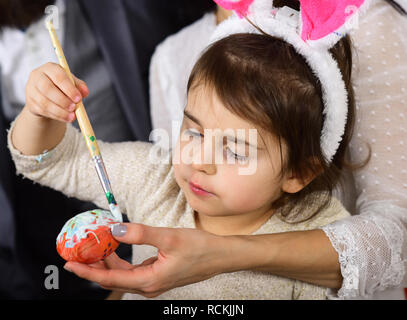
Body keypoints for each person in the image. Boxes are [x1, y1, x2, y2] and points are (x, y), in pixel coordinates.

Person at [8, 1, 361, 299]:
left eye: (236, 151)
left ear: (298, 172)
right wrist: (39, 113)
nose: (199, 161)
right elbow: (53, 160)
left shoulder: (320, 233)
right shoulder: (154, 179)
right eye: (193, 132)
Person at [146, 0, 407, 299]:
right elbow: (171, 200)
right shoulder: (169, 56)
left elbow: (399, 236)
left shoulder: (360, 21)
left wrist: (229, 254)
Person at [0, 0, 214, 299]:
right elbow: (45, 162)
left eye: (239, 149)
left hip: (150, 213)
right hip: (34, 255)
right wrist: (36, 114)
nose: (208, 159)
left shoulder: (154, 175)